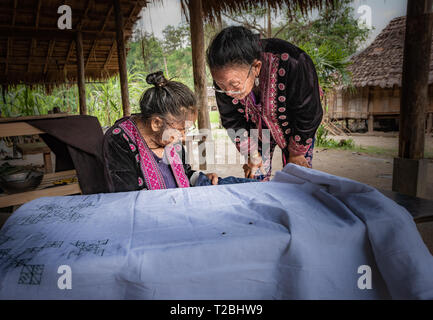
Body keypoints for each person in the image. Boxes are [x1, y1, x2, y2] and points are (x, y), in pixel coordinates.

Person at [206, 26, 323, 180]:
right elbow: (231, 119)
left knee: (297, 178)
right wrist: (251, 153)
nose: (228, 93)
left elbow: (309, 113)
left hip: (297, 129)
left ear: (256, 67)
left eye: (234, 85)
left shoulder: (294, 62)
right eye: (221, 86)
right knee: (256, 176)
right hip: (256, 129)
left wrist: (296, 153)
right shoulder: (224, 77)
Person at [103, 71, 219, 192]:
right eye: (181, 130)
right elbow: (126, 195)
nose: (183, 136)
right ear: (156, 124)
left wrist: (199, 179)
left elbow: (185, 173)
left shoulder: (171, 138)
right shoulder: (119, 139)